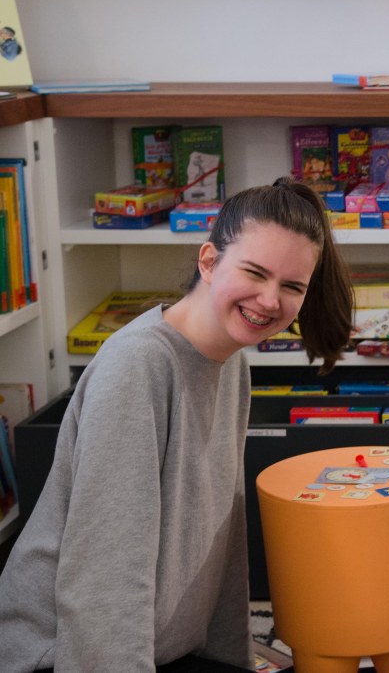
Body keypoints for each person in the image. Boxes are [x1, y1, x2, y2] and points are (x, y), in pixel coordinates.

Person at [0, 178, 354, 672]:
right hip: (66, 656)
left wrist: (233, 661)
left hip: (161, 646)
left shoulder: (232, 362)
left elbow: (221, 547)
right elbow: (104, 576)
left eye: (292, 286)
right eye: (254, 272)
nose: (270, 301)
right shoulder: (137, 366)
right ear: (209, 261)